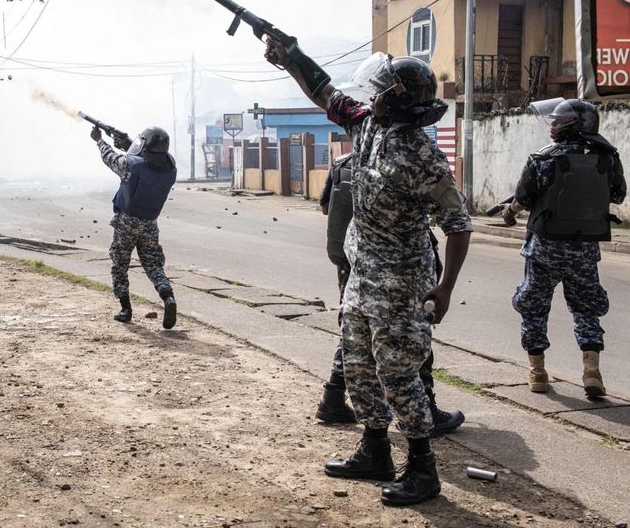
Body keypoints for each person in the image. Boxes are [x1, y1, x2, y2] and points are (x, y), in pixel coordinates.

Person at [268, 41, 471, 506]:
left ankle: (422, 467)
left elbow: (458, 225)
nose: (371, 97)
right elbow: (324, 91)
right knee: (359, 368)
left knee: (400, 376)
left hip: (402, 286)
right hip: (363, 277)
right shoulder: (367, 125)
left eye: (379, 92)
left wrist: (444, 290)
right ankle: (375, 449)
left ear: (396, 98)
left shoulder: (424, 156)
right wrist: (290, 57)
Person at [316, 153, 465, 438]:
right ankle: (426, 410)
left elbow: (325, 206)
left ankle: (333, 397)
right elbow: (454, 216)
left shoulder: (343, 162)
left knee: (355, 330)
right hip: (393, 266)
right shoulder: (413, 159)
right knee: (406, 336)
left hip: (351, 259)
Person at [501, 99, 626, 397]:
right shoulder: (608, 158)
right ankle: (592, 371)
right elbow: (619, 196)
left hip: (544, 249)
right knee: (586, 310)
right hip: (584, 250)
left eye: (559, 122)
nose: (553, 126)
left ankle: (538, 372)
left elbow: (523, 198)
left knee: (533, 308)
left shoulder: (543, 158)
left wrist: (510, 212)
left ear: (573, 124)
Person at [92, 124, 179, 328]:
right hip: (150, 224)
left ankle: (125, 308)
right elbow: (146, 161)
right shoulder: (170, 170)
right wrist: (127, 142)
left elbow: (111, 159)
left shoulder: (132, 165)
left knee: (119, 263)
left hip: (126, 222)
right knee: (153, 264)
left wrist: (99, 140)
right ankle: (167, 296)